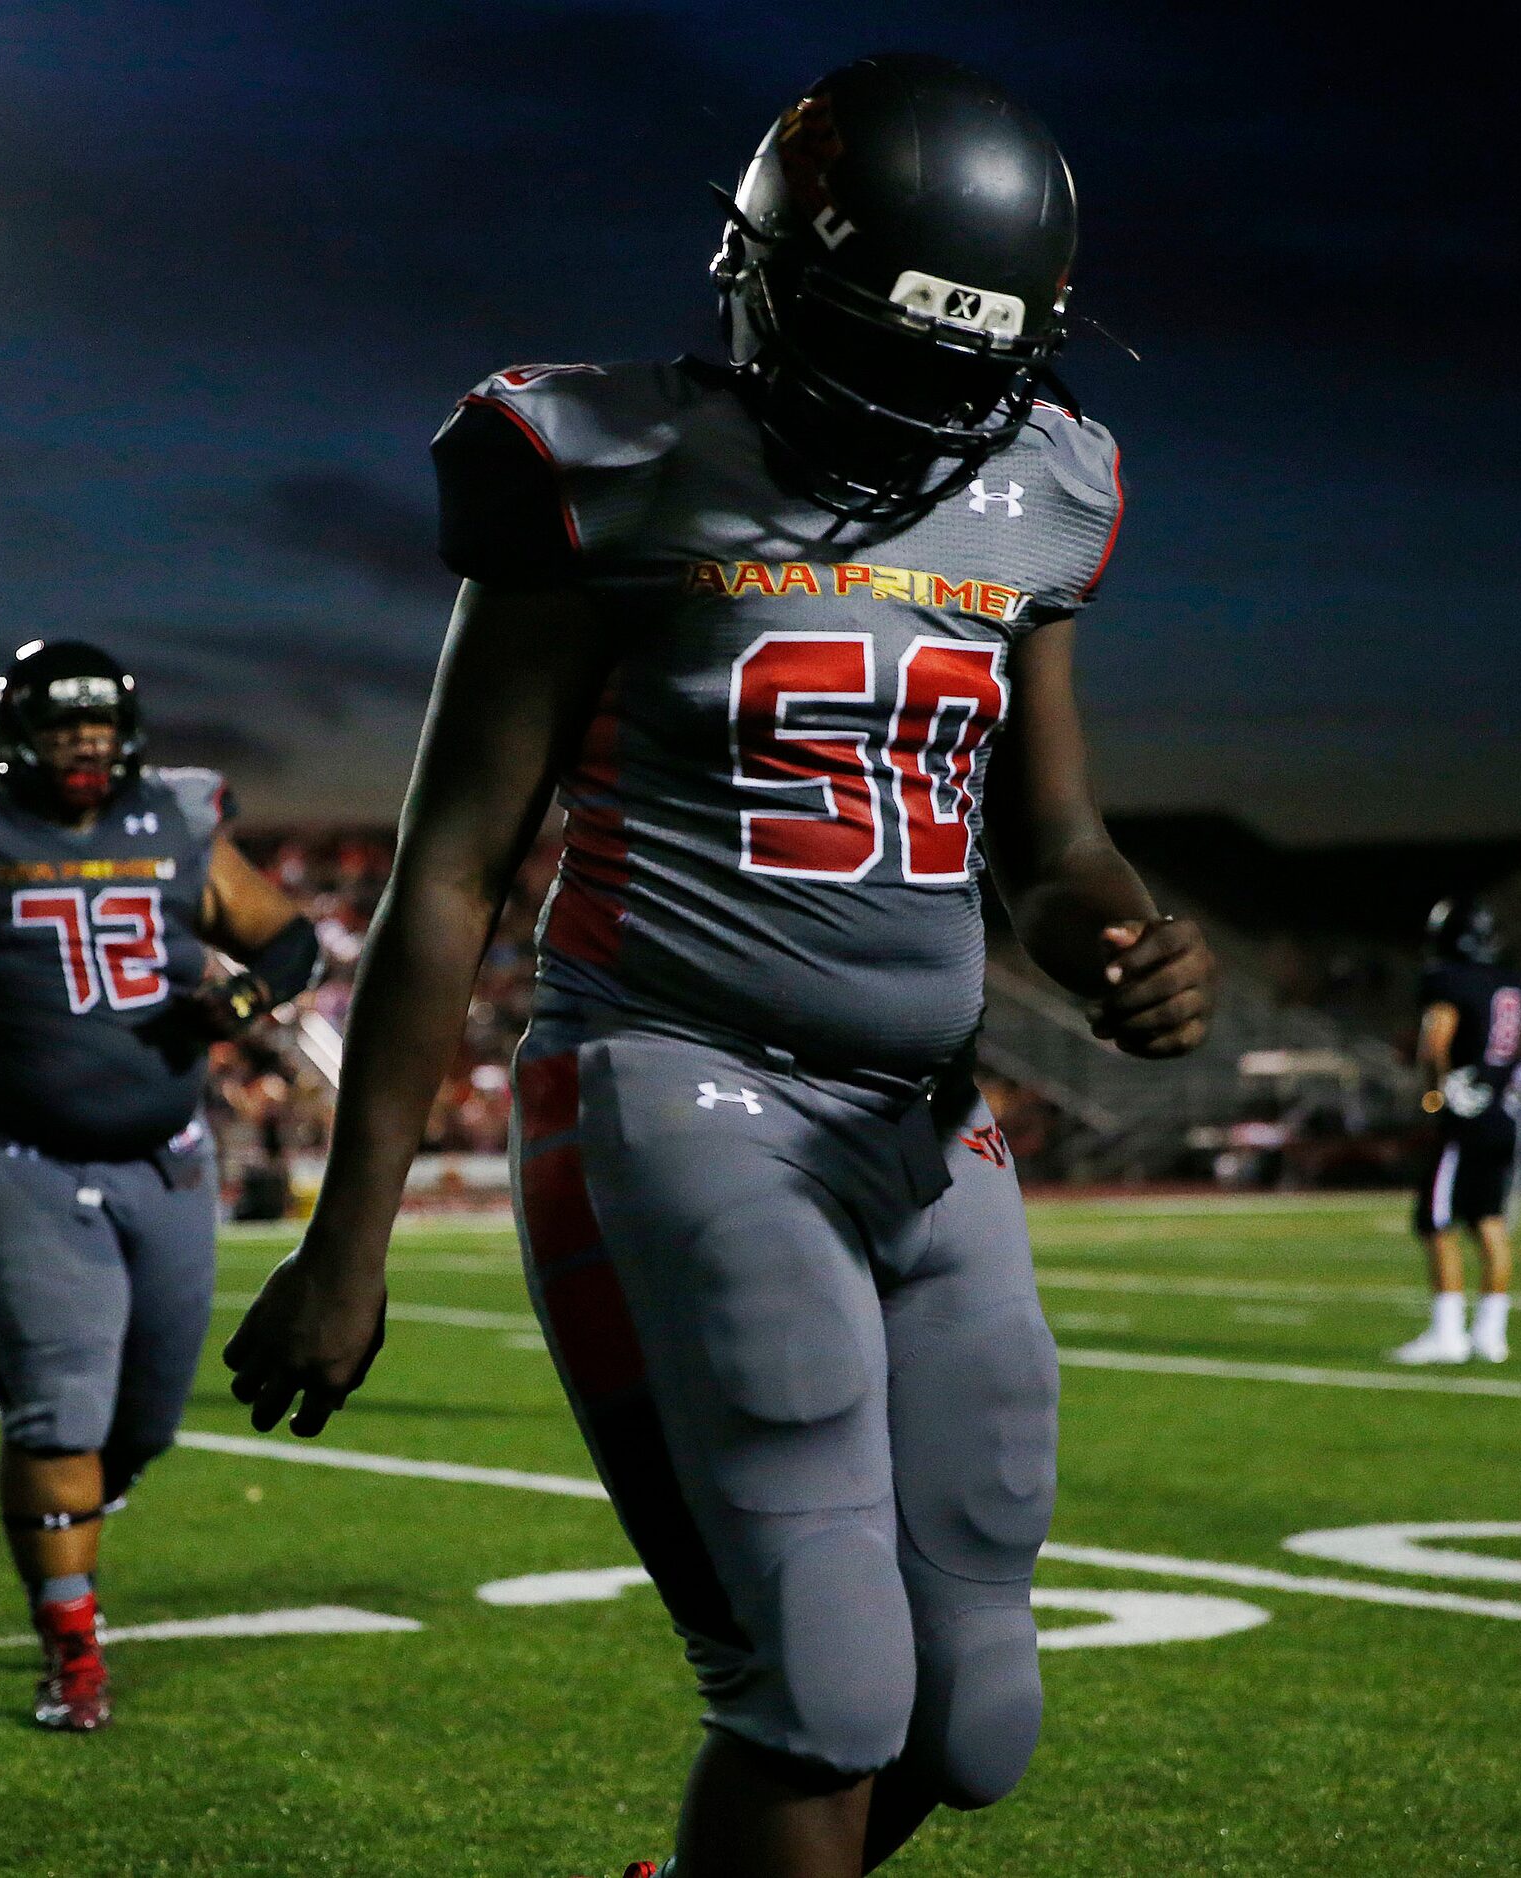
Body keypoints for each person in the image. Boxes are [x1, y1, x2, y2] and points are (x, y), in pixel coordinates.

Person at [222, 56, 1214, 1878]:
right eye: (886, 347)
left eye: (958, 365)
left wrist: (1124, 944)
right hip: (676, 1080)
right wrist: (345, 1237)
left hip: (922, 1117)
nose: (922, 409)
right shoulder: (595, 462)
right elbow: (451, 871)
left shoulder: (1044, 486)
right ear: (766, 277)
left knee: (969, 1717)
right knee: (821, 1686)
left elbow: (1051, 839)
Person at [0, 639, 316, 1732]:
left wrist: (244, 1004)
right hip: (16, 1155)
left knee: (140, 1426)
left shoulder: (179, 821)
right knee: (60, 1414)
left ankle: (74, 1545)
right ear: (17, 742)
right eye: (63, 731)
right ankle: (69, 1650)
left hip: (166, 1155)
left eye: (98, 730)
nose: (85, 749)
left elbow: (288, 942)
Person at [1392, 898, 1521, 1366]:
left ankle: (1447, 1334)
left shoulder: (1445, 980)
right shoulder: (1513, 982)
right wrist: (1516, 1079)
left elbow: (1435, 1043)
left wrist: (1435, 1093)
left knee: (1436, 1220)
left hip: (1465, 1116)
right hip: (1505, 1115)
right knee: (1489, 1221)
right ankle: (1491, 1335)